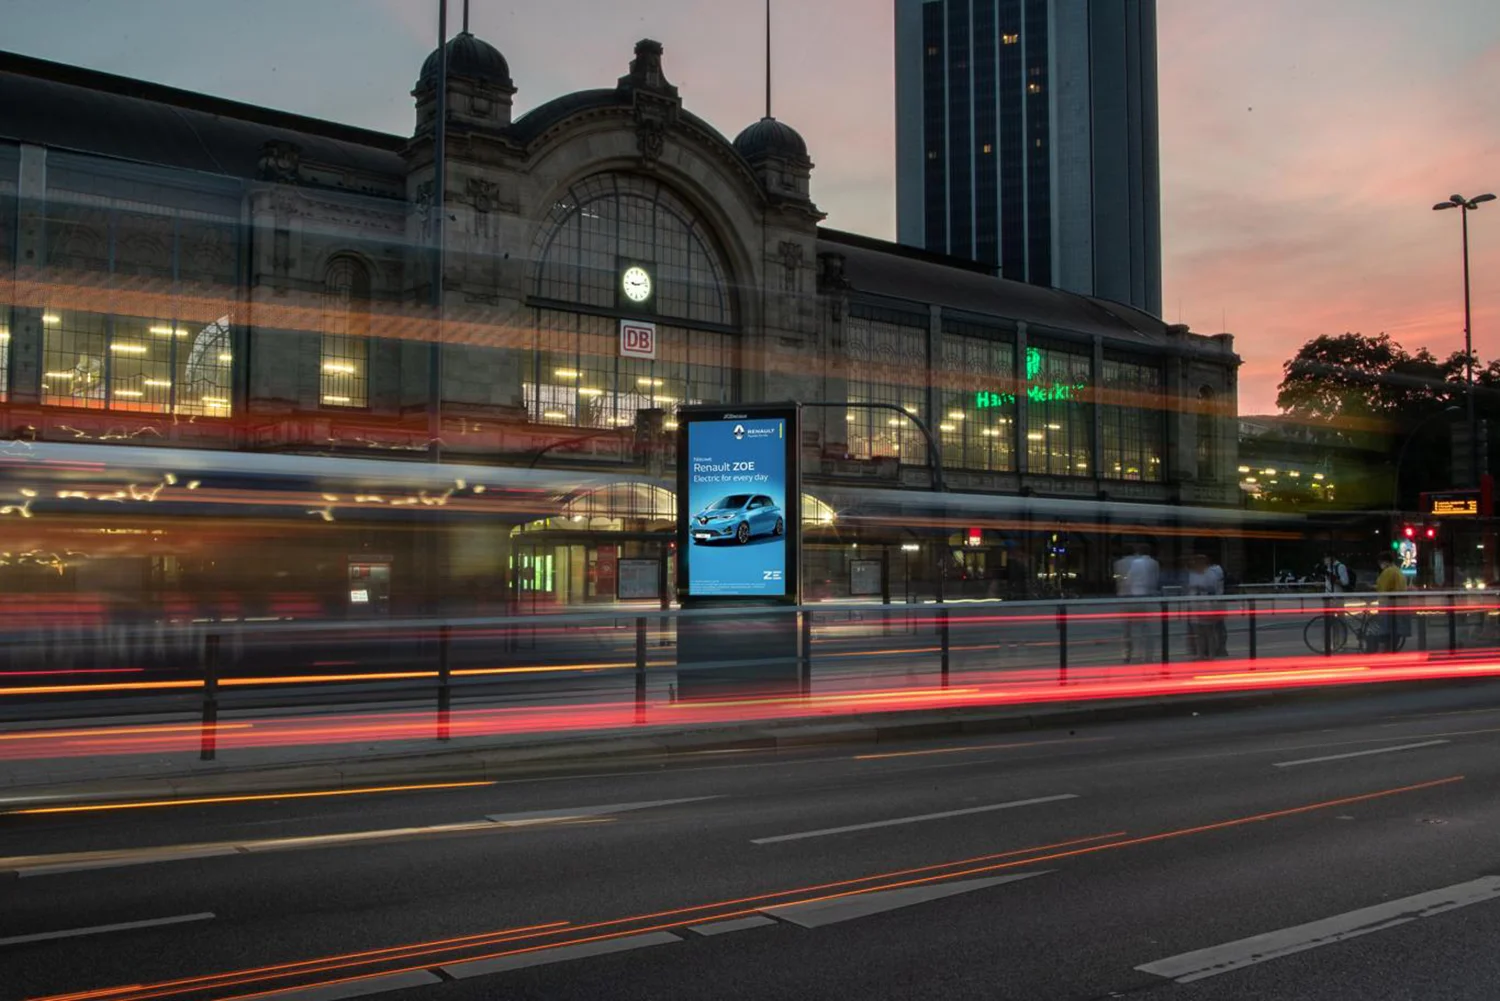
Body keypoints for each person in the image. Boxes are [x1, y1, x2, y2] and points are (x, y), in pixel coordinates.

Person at [1120, 543, 1160, 664]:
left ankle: (1134, 655)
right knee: (1147, 629)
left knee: (1132, 628)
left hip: (1136, 596)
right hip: (1149, 597)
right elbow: (1155, 579)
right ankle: (1149, 655)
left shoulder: (1137, 563)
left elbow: (1130, 579)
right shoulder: (1155, 563)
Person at [1373, 552, 1408, 652]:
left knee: (1386, 629)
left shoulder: (1388, 572)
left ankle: (1386, 650)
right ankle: (1393, 649)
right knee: (1395, 630)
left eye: (1380, 562)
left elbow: (1383, 589)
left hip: (1388, 604)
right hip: (1399, 605)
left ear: (1384, 562)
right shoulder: (1397, 571)